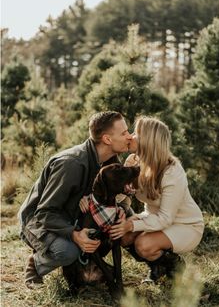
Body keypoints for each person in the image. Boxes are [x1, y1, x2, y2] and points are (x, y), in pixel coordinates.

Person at [18, 111, 132, 288]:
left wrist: (123, 209)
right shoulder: (71, 164)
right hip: (37, 220)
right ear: (107, 139)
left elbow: (121, 193)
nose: (129, 136)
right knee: (67, 251)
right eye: (124, 133)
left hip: (73, 216)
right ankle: (36, 263)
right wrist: (74, 235)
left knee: (124, 222)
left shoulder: (111, 161)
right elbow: (45, 212)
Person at [110, 116, 204, 283]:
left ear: (148, 140)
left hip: (185, 224)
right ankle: (159, 266)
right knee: (123, 236)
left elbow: (166, 218)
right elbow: (119, 197)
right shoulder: (134, 162)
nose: (130, 136)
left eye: (135, 133)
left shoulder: (173, 172)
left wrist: (131, 224)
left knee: (143, 245)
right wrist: (123, 183)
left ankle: (173, 265)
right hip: (154, 217)